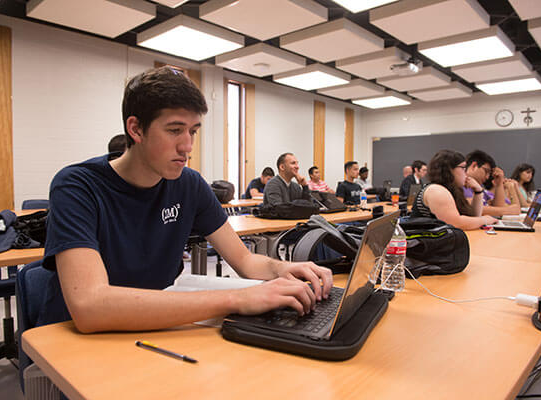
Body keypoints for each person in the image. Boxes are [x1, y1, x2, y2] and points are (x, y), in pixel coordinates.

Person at [40, 67, 332, 333]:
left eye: (192, 131)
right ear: (136, 129)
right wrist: (236, 298)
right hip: (74, 343)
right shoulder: (77, 186)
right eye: (175, 130)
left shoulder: (188, 184)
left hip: (152, 327)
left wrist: (281, 269)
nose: (187, 146)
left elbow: (243, 259)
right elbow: (90, 307)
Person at [410, 150, 497, 230]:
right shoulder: (436, 190)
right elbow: (455, 223)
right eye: (463, 168)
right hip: (425, 243)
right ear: (449, 170)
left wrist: (478, 191)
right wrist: (484, 220)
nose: (465, 172)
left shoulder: (453, 190)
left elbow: (473, 217)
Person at [463, 150, 520, 216]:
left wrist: (499, 184)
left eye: (489, 174)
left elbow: (498, 207)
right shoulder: (462, 184)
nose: (487, 177)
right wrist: (508, 210)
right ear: (474, 166)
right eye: (486, 171)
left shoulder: (479, 187)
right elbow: (471, 208)